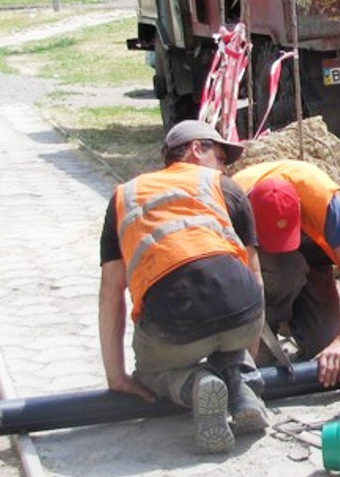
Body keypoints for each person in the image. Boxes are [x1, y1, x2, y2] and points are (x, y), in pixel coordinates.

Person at [98, 119, 268, 454]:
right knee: (230, 337)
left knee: (149, 371)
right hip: (242, 309)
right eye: (220, 157)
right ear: (195, 149)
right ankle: (242, 389)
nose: (224, 167)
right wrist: (248, 359)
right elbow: (255, 278)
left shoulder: (123, 198)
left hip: (173, 326)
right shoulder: (227, 188)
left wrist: (117, 376)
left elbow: (110, 294)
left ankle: (194, 385)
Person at [232, 160, 340, 388]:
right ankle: (273, 320)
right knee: (284, 271)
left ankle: (296, 314)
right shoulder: (233, 204)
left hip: (312, 254)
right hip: (260, 262)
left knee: (324, 344)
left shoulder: (322, 202)